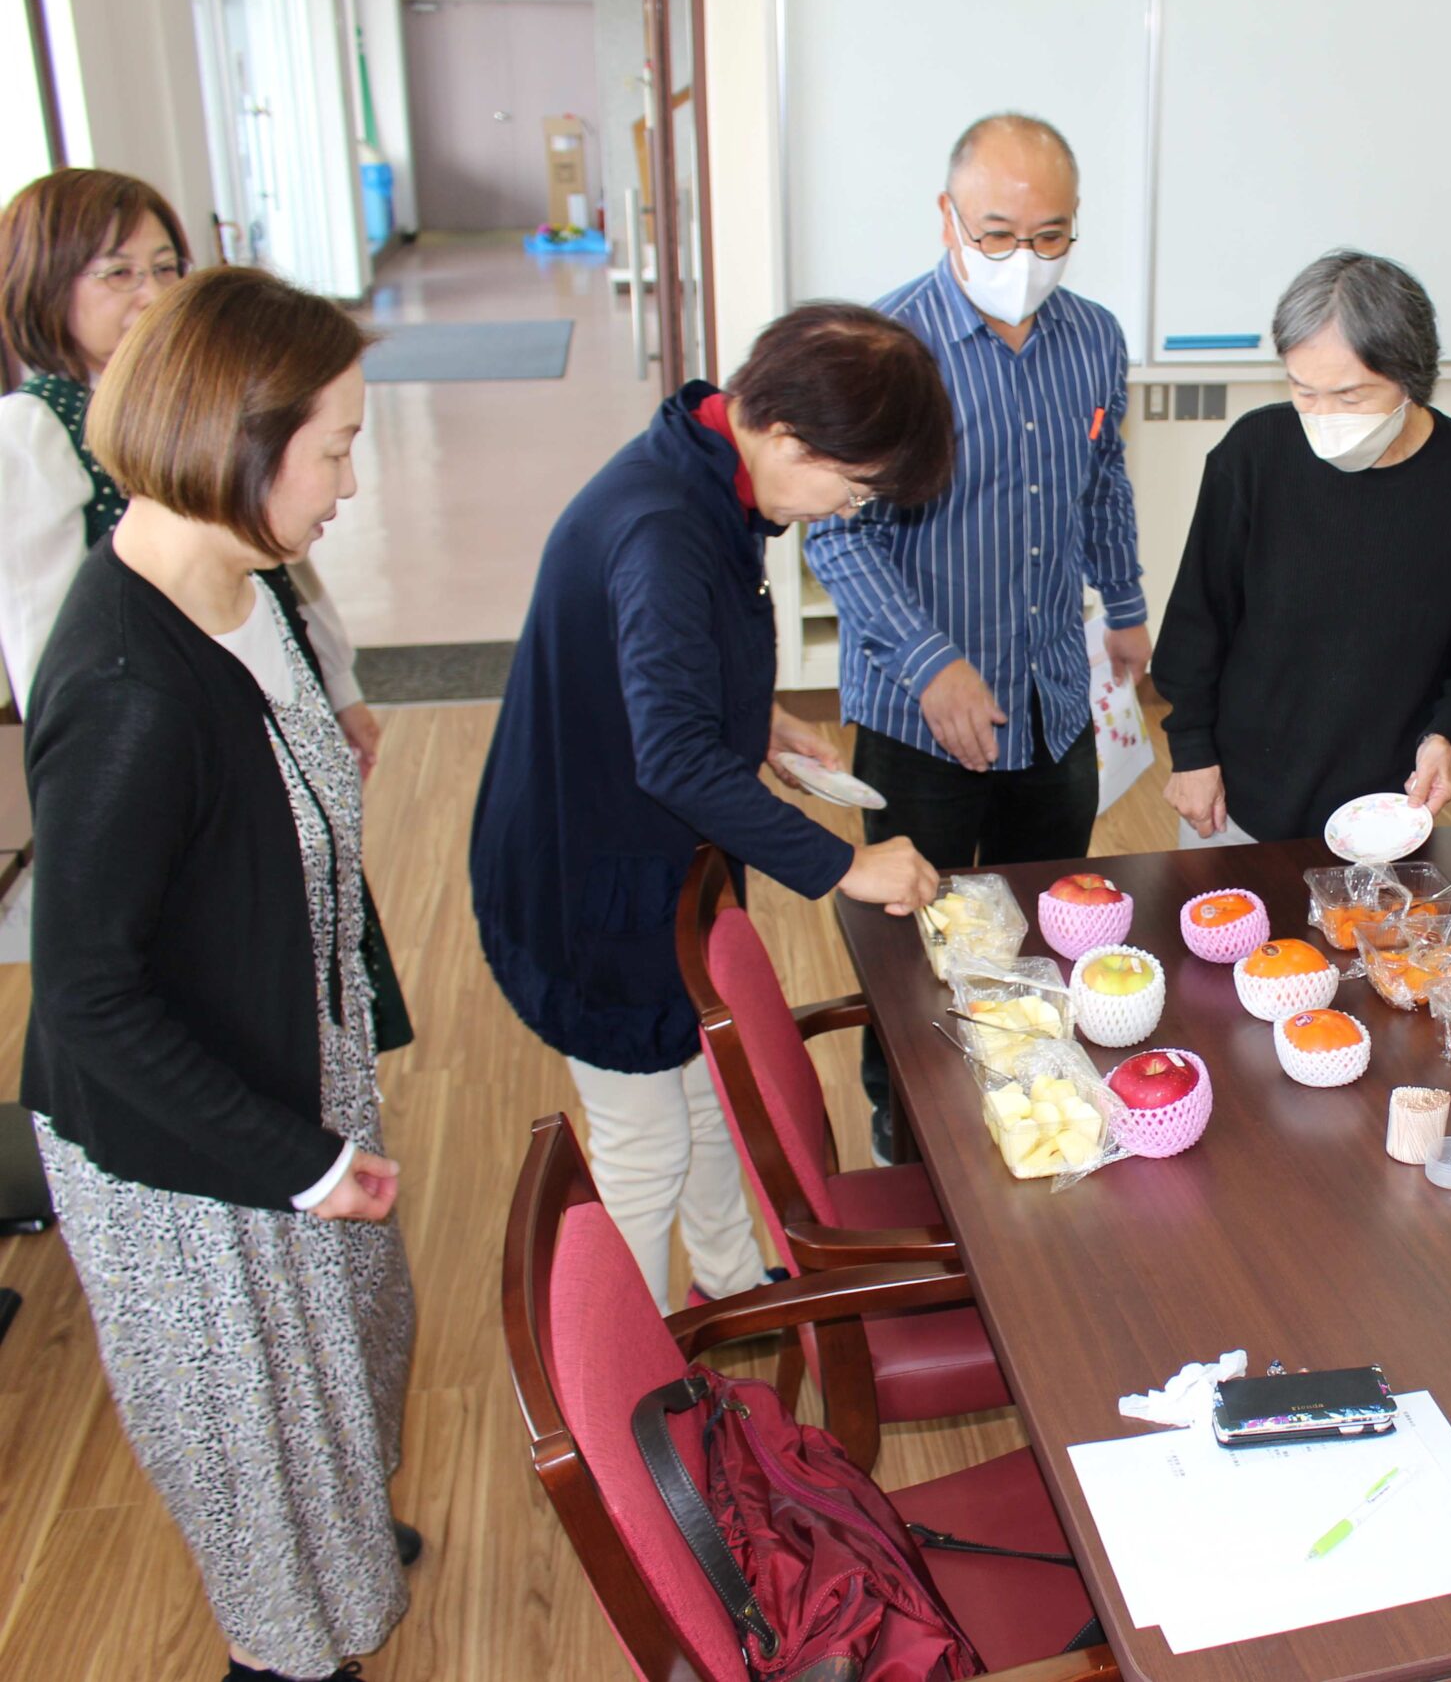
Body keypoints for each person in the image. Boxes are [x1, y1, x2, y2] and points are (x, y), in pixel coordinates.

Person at [21, 266, 412, 1682]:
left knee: (338, 1385)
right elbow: (87, 997)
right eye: (335, 450)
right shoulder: (129, 690)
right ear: (240, 443)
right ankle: (291, 1647)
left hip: (283, 1058)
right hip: (193, 1150)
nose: (350, 485)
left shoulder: (249, 592)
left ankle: (337, 1550)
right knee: (261, 1465)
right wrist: (299, 1160)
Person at [470, 304, 946, 1311]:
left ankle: (733, 1292)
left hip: (640, 861)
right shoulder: (664, 526)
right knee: (644, 1152)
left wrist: (754, 716)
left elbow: (657, 663)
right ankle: (644, 1386)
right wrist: (845, 864)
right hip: (589, 884)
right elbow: (675, 758)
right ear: (788, 435)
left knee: (705, 1097)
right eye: (854, 487)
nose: (848, 512)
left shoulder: (708, 470)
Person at [801, 112, 1146, 1165]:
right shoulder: (885, 350)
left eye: (1050, 236)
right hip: (920, 718)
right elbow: (835, 533)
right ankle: (908, 1142)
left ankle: (1037, 1115)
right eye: (997, 234)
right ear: (946, 218)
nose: (1022, 259)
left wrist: (1125, 605)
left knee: (1050, 920)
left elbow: (1103, 481)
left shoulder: (1094, 337)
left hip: (1052, 700)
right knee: (917, 946)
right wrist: (932, 664)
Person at [1153, 249, 1451, 847]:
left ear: (1411, 377)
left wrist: (1446, 732)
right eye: (1303, 391)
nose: (1325, 417)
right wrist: (1191, 750)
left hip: (1386, 807)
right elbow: (1198, 615)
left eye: (1352, 397)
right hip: (1238, 793)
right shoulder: (1253, 454)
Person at [0, 167, 379, 768]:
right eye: (118, 273)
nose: (152, 294)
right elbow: (47, 655)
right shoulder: (33, 429)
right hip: (175, 732)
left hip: (264, 680)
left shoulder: (188, 390)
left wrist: (340, 686)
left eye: (166, 267)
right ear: (43, 285)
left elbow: (287, 570)